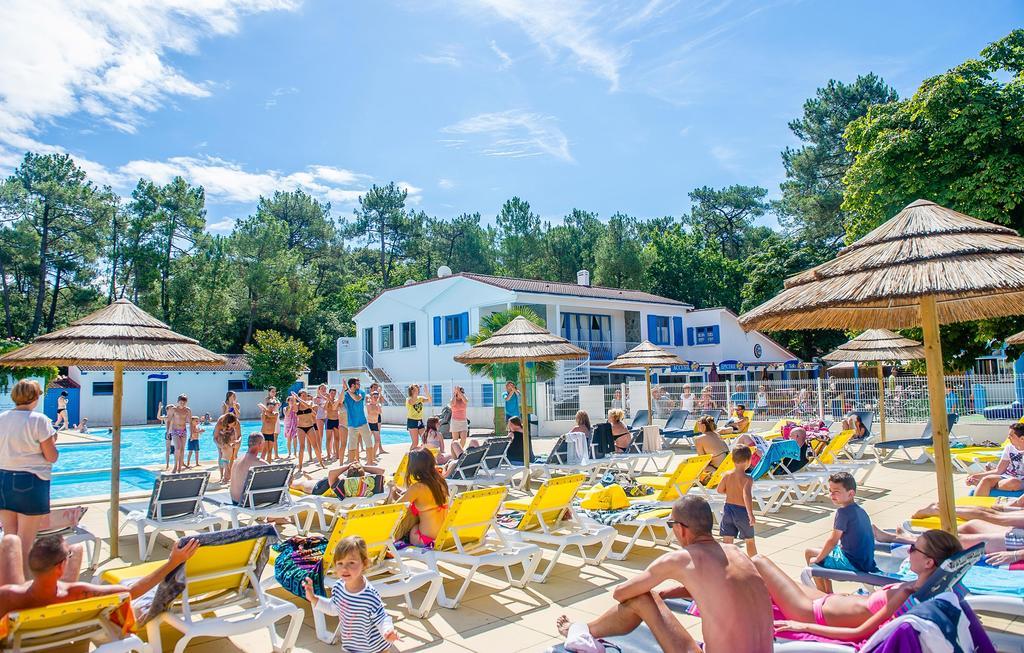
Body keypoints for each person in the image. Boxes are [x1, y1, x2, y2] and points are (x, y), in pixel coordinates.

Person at [554, 495, 773, 653]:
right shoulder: (735, 553)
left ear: (681, 528)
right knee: (652, 596)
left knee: (640, 597)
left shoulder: (681, 558)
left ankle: (580, 632)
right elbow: (724, 587)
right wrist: (667, 593)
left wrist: (653, 594)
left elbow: (621, 593)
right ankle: (582, 632)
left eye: (671, 525)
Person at [766, 530, 963, 642]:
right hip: (822, 601)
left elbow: (858, 632)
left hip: (812, 613)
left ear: (929, 563)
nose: (908, 551)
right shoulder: (932, 588)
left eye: (913, 548)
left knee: (758, 562)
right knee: (768, 582)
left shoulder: (906, 593)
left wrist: (802, 626)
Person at [0, 534, 200, 619]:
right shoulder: (78, 594)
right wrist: (172, 562)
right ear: (60, 567)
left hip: (25, 635)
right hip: (66, 629)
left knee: (10, 540)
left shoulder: (8, 596)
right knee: (78, 548)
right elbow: (132, 591)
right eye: (67, 556)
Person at [0, 380, 59, 573]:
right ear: (34, 397)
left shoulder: (2, 418)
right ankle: (23, 587)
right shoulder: (39, 420)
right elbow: (51, 456)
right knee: (25, 541)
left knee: (10, 538)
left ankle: (6, 582)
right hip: (30, 481)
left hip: (3, 479)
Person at [302, 535, 398, 653]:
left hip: (374, 649)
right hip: (351, 647)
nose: (344, 568)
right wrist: (313, 598)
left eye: (351, 563)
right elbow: (333, 608)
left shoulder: (369, 596)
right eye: (340, 563)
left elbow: (382, 618)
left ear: (364, 563)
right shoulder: (338, 587)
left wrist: (388, 631)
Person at [805, 472, 876, 592]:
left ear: (851, 493)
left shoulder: (843, 513)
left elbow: (833, 541)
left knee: (813, 561)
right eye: (830, 491)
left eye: (836, 491)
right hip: (865, 560)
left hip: (852, 562)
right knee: (810, 551)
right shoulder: (860, 510)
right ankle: (827, 593)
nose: (832, 495)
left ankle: (822, 595)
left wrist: (818, 560)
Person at [386, 449, 449, 547]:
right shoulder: (440, 482)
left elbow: (395, 509)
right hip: (444, 536)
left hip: (425, 539)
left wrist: (391, 491)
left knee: (412, 528)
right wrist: (397, 492)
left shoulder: (417, 488)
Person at [717, 445, 756, 555]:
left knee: (728, 540)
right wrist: (751, 514)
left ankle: (729, 563)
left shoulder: (727, 475)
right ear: (748, 461)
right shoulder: (747, 478)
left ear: (733, 459)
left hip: (728, 510)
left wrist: (730, 491)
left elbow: (719, 490)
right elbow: (746, 496)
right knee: (749, 540)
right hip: (742, 512)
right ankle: (755, 562)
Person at [967, 422, 1024, 497]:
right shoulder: (1009, 448)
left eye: (1011, 436)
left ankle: (984, 485)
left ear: (1022, 438)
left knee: (1013, 483)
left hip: (1020, 481)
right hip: (1006, 477)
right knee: (986, 480)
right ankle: (976, 507)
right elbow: (999, 470)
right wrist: (975, 476)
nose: (1008, 438)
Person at [291, 461, 386, 496]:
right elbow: (381, 471)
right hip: (325, 483)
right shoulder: (365, 483)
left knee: (296, 484)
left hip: (319, 488)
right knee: (321, 479)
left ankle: (306, 479)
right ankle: (310, 478)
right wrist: (362, 467)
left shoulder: (341, 484)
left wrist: (347, 466)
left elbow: (331, 473)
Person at [230, 434, 268, 504]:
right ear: (260, 444)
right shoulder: (260, 463)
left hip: (234, 500)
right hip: (247, 502)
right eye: (263, 443)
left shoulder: (237, 460)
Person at [344, 378, 374, 466]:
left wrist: (347, 390)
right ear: (353, 385)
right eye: (357, 384)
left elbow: (357, 399)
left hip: (363, 423)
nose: (359, 385)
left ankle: (370, 463)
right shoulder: (346, 394)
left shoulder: (361, 392)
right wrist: (345, 390)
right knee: (352, 446)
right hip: (352, 424)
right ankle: (351, 465)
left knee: (369, 443)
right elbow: (340, 401)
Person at [295, 390, 325, 471]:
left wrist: (298, 398)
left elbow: (308, 406)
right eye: (303, 395)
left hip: (310, 427)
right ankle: (300, 466)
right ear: (300, 396)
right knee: (301, 447)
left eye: (306, 395)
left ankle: (321, 463)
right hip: (300, 427)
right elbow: (293, 410)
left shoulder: (310, 402)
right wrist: (295, 400)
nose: (305, 397)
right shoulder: (297, 405)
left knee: (315, 446)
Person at [164, 394, 191, 474]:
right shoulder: (173, 409)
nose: (182, 403)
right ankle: (175, 466)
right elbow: (168, 421)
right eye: (181, 402)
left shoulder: (187, 410)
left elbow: (190, 422)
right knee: (178, 448)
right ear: (178, 402)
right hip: (175, 430)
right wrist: (168, 432)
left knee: (182, 450)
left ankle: (179, 467)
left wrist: (192, 433)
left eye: (184, 402)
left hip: (183, 431)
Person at [213, 412, 242, 484]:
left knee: (232, 454)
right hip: (221, 434)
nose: (232, 426)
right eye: (230, 425)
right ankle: (222, 475)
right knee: (221, 453)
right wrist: (220, 445)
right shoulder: (220, 422)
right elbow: (215, 438)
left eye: (233, 425)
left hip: (231, 435)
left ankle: (229, 475)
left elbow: (239, 436)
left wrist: (238, 441)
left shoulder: (236, 422)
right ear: (226, 423)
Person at [405, 384, 430, 449]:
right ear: (412, 390)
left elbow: (430, 400)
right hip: (412, 421)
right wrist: (415, 390)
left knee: (425, 440)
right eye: (416, 388)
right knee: (415, 443)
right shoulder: (408, 399)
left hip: (419, 420)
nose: (418, 389)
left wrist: (427, 392)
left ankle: (421, 455)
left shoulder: (420, 398)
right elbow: (413, 402)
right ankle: (410, 457)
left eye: (418, 388)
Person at [258, 397, 281, 463]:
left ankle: (269, 464)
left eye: (272, 407)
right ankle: (261, 464)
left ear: (274, 408)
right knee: (264, 450)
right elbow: (263, 420)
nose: (271, 408)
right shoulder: (264, 413)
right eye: (269, 407)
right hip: (264, 434)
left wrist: (264, 408)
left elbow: (270, 415)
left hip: (271, 434)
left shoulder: (275, 414)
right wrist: (263, 411)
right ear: (267, 407)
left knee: (270, 451)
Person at [366, 383, 386, 458]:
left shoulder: (378, 405)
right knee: (368, 441)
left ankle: (373, 455)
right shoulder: (368, 404)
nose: (376, 397)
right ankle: (369, 455)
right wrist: (376, 404)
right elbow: (370, 412)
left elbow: (379, 412)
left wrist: (377, 403)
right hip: (369, 424)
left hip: (375, 423)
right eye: (374, 396)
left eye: (376, 396)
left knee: (377, 441)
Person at [324, 388, 342, 462]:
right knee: (328, 439)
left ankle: (337, 454)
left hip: (336, 420)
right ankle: (328, 455)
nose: (333, 394)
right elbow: (325, 408)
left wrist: (330, 400)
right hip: (329, 420)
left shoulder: (336, 401)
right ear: (329, 393)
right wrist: (328, 400)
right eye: (331, 393)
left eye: (334, 393)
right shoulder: (327, 401)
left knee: (337, 438)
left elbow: (335, 408)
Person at [449, 386, 469, 451]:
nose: (462, 393)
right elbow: (452, 403)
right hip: (455, 421)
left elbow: (466, 401)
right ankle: (454, 453)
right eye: (460, 392)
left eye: (462, 392)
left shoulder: (464, 399)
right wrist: (455, 394)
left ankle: (459, 451)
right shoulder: (453, 399)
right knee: (455, 440)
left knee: (464, 438)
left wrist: (459, 392)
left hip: (463, 421)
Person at [314, 384, 330, 454]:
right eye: (322, 388)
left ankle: (329, 451)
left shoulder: (328, 397)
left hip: (327, 417)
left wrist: (328, 397)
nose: (324, 390)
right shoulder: (316, 398)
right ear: (319, 389)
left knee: (329, 436)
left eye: (325, 388)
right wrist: (325, 397)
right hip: (319, 417)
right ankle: (319, 451)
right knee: (320, 435)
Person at [283, 393, 299, 459]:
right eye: (291, 400)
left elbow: (297, 413)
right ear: (288, 401)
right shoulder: (285, 408)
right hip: (288, 425)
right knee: (288, 439)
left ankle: (295, 452)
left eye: (293, 400)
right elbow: (287, 414)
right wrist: (290, 407)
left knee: (295, 438)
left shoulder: (296, 407)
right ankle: (289, 453)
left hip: (295, 424)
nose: (292, 401)